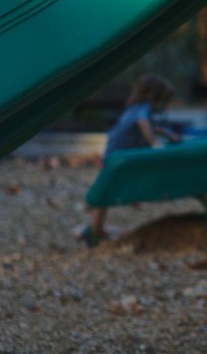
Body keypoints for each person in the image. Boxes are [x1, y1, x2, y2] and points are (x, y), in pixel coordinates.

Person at [78, 74, 182, 247]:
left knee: (106, 193)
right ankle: (93, 230)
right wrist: (155, 143)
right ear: (152, 96)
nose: (162, 106)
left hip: (113, 155)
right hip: (116, 158)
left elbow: (153, 125)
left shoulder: (135, 107)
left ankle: (96, 228)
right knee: (105, 194)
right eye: (162, 100)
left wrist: (169, 134)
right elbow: (143, 123)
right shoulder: (144, 108)